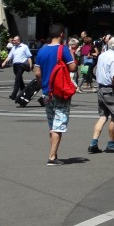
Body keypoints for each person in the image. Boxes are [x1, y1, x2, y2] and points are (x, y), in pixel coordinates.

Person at [34, 24, 75, 166]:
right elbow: (72, 67)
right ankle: (52, 157)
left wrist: (43, 84)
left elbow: (37, 73)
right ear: (62, 34)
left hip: (47, 92)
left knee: (52, 124)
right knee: (59, 124)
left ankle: (53, 152)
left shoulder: (41, 51)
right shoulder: (62, 49)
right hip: (60, 91)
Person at [88, 36, 114, 154]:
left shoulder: (102, 55)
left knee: (103, 116)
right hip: (110, 89)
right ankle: (111, 144)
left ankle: (93, 142)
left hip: (101, 88)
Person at [2, 34, 33, 102]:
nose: (13, 41)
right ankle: (25, 93)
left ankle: (14, 95)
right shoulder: (13, 48)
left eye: (14, 40)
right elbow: (10, 56)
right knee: (19, 80)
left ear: (19, 41)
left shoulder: (24, 47)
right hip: (15, 65)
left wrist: (30, 65)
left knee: (17, 79)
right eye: (13, 40)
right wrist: (4, 62)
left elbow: (29, 56)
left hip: (21, 65)